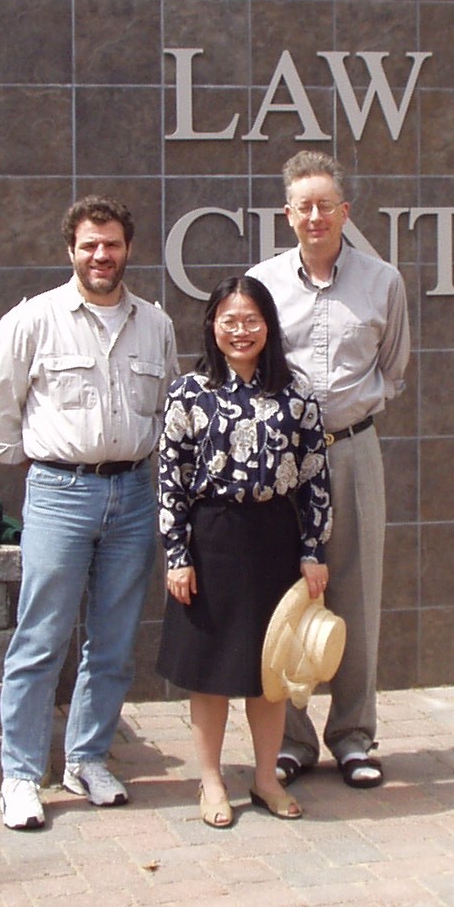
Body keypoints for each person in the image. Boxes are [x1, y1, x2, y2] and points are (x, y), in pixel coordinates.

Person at [0, 194, 178, 831]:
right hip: (61, 493)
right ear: (71, 250)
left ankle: (87, 758)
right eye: (90, 244)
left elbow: (169, 406)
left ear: (128, 250)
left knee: (114, 642)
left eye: (112, 244)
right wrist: (40, 463)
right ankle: (19, 775)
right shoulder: (32, 320)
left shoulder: (156, 324)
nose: (101, 255)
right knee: (41, 639)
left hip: (133, 496)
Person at [250, 151, 409, 789]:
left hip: (352, 451)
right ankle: (292, 740)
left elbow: (392, 368)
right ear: (288, 215)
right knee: (284, 595)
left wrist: (342, 422)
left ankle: (354, 736)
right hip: (283, 460)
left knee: (356, 592)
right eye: (303, 206)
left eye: (326, 205)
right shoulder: (262, 282)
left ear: (345, 211)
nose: (315, 216)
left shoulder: (382, 282)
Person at [157, 275, 331, 827]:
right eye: (229, 321)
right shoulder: (190, 392)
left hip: (276, 539)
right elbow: (171, 478)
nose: (240, 331)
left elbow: (313, 477)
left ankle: (263, 778)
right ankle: (210, 780)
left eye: (251, 320)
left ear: (269, 327)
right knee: (212, 671)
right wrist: (176, 555)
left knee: (269, 669)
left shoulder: (295, 391)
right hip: (213, 539)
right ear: (212, 326)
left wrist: (313, 549)